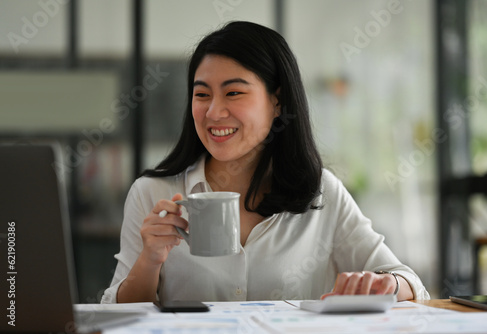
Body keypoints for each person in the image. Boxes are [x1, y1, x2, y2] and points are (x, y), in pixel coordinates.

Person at [102, 21, 429, 304]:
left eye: (233, 93)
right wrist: (150, 260)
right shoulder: (153, 193)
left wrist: (386, 284)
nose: (214, 112)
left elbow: (406, 280)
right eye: (202, 95)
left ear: (277, 101)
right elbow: (117, 312)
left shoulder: (320, 192)